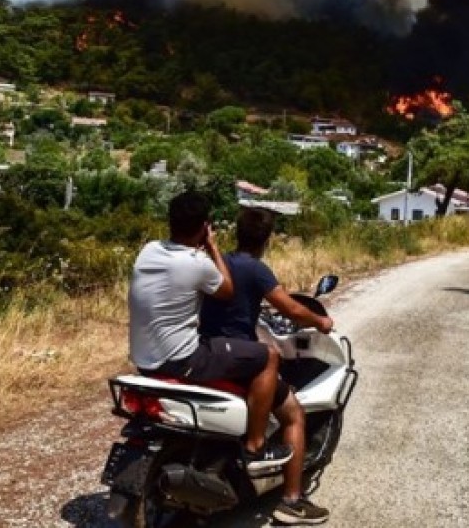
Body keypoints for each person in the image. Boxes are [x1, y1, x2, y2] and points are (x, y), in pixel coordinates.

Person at [128, 191, 292, 473]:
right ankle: (256, 445)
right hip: (183, 360)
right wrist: (213, 247)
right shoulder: (197, 262)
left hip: (143, 361)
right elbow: (228, 290)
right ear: (205, 226)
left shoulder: (149, 250)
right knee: (269, 356)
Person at [200, 206, 334, 526]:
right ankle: (291, 499)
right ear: (267, 240)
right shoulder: (255, 269)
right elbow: (289, 309)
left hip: (207, 351)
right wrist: (322, 321)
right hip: (239, 357)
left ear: (237, 233)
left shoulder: (216, 264)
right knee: (294, 413)